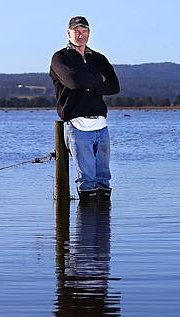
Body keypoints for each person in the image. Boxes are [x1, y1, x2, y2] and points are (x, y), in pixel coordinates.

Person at [50, 16, 120, 201]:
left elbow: (114, 86)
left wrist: (87, 82)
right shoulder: (60, 58)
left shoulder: (98, 58)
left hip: (101, 125)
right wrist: (98, 80)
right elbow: (73, 81)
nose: (80, 35)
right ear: (68, 33)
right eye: (76, 31)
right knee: (87, 181)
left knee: (104, 179)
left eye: (84, 31)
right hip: (76, 125)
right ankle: (87, 225)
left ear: (89, 33)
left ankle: (104, 225)